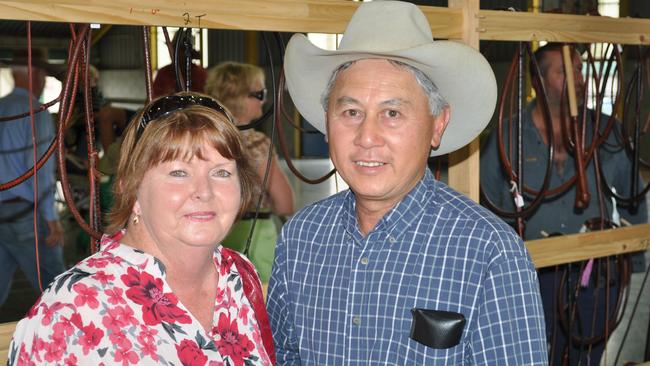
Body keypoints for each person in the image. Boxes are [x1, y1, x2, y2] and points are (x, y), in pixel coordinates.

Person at [267, 1, 547, 364]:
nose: (367, 136)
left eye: (392, 113)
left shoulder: (489, 253)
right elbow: (283, 355)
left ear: (437, 124)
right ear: (327, 119)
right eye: (351, 112)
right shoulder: (302, 237)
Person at [8, 92, 276, 365]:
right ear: (131, 189)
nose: (204, 192)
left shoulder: (238, 275)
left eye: (221, 172)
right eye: (178, 173)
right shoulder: (70, 313)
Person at [480, 43, 647, 365]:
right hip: (530, 271)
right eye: (565, 73)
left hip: (595, 272)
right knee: (526, 354)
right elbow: (488, 208)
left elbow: (632, 198)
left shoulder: (606, 131)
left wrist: (632, 259)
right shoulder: (507, 134)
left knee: (587, 354)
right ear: (539, 82)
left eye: (580, 70)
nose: (579, 80)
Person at [205, 61, 294, 283]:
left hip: (211, 230)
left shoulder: (202, 138)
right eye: (260, 93)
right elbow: (285, 202)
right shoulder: (255, 142)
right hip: (255, 235)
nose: (264, 100)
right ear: (241, 97)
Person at [0, 49, 66, 306]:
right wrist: (51, 219)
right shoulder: (35, 112)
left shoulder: (2, 107)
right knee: (57, 287)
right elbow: (39, 169)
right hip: (24, 215)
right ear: (36, 74)